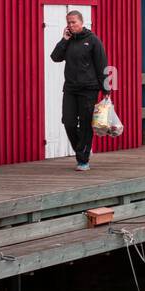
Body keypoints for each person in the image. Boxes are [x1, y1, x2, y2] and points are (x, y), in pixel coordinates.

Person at [50, 10, 108, 171]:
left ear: (82, 23)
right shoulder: (68, 41)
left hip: (89, 89)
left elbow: (102, 65)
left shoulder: (93, 41)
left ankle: (83, 160)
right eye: (68, 22)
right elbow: (55, 57)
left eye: (73, 22)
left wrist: (106, 90)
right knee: (68, 122)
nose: (71, 25)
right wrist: (64, 39)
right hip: (70, 88)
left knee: (85, 124)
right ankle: (82, 151)